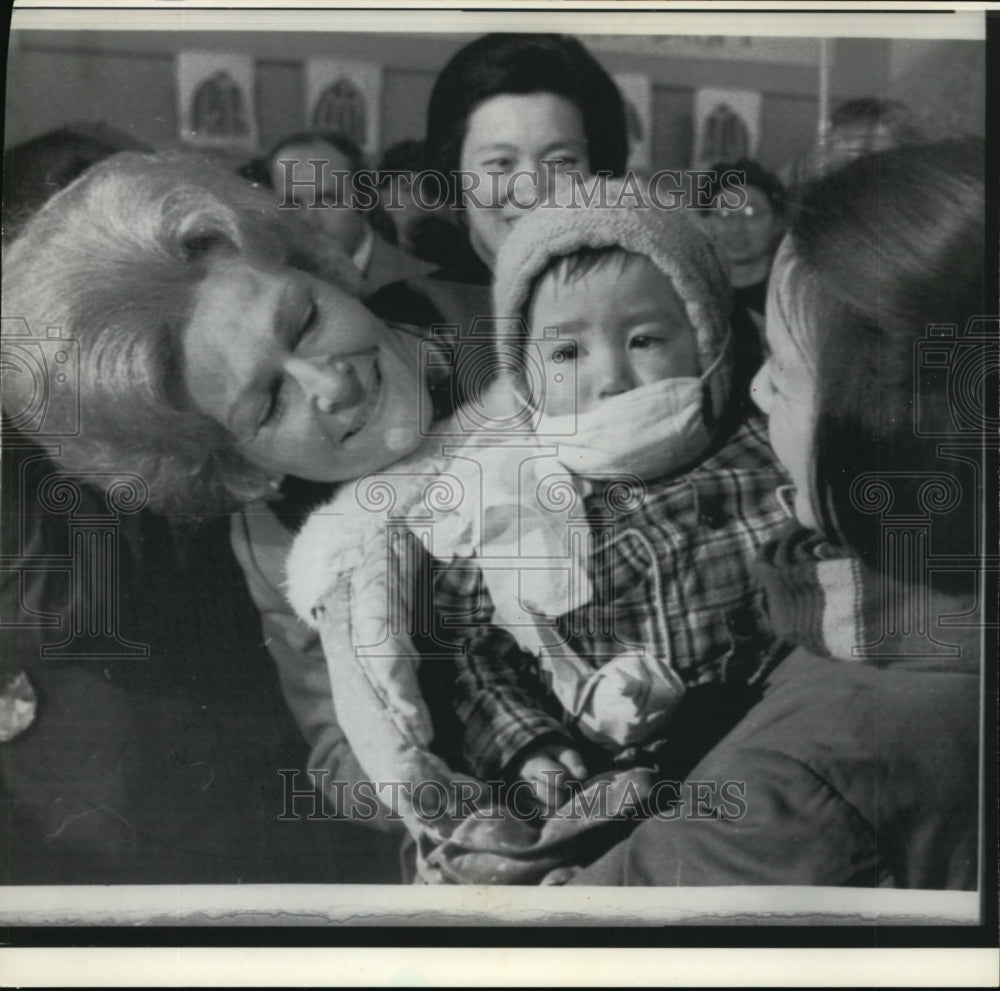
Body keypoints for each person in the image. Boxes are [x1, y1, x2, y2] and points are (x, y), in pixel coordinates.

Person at [0, 150, 445, 876]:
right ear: (241, 467)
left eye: (303, 321)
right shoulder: (279, 549)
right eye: (268, 401)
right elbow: (340, 753)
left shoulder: (525, 327)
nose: (330, 383)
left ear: (318, 268)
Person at [567, 139, 984, 888]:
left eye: (786, 379)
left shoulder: (784, 794)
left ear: (889, 436)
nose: (756, 393)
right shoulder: (882, 610)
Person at [444, 181, 792, 813]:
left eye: (645, 341)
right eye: (568, 352)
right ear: (524, 376)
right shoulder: (508, 494)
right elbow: (469, 649)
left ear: (708, 341)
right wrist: (525, 744)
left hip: (781, 754)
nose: (611, 379)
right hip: (613, 785)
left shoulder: (768, 444)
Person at [259, 128, 433, 294]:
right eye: (292, 203)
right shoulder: (270, 281)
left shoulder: (429, 287)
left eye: (327, 200)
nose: (310, 220)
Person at [701, 158, 786, 407]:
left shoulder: (788, 298)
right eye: (724, 213)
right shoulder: (698, 295)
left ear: (777, 222)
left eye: (751, 213)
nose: (736, 228)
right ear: (706, 222)